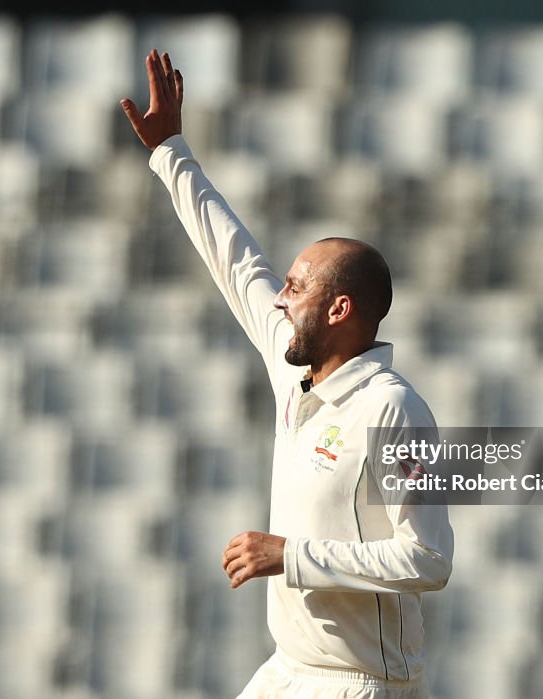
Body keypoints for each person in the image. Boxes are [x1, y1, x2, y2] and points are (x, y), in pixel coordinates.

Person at [122, 49, 454, 699]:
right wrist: (170, 152)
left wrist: (291, 555)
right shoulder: (296, 367)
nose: (280, 297)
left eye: (297, 287)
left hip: (359, 680)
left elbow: (429, 558)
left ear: (339, 309)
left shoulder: (391, 410)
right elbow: (238, 263)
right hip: (287, 670)